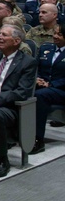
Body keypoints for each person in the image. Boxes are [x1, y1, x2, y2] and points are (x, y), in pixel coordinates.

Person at [0, 25, 38, 177]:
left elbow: (22, 93)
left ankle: (3, 160)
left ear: (16, 41)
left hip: (8, 107)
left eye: (4, 35)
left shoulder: (27, 62)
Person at [34, 25, 65, 153]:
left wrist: (51, 84)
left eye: (59, 34)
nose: (55, 36)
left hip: (61, 90)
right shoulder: (46, 48)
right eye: (55, 33)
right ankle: (15, 135)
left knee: (40, 96)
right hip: (43, 87)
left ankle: (38, 139)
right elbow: (36, 68)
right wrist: (37, 79)